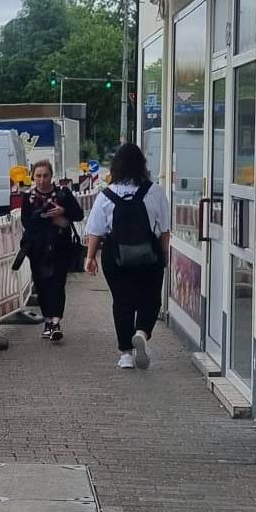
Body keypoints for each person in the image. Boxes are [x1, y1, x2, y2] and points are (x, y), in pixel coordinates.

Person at [84, 144, 171, 370]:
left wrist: (90, 257)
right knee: (150, 298)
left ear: (117, 166)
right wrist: (164, 254)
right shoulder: (155, 191)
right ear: (142, 165)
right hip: (148, 255)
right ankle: (141, 331)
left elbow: (95, 230)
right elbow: (164, 230)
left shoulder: (106, 195)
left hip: (115, 256)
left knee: (122, 302)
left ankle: (125, 354)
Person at [20, 159, 83, 342]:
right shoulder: (28, 198)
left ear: (51, 175)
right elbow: (26, 223)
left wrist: (63, 212)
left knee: (58, 283)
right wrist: (46, 218)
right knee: (42, 285)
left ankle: (56, 322)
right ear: (33, 177)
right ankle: (48, 320)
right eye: (38, 176)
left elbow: (78, 214)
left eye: (45, 175)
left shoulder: (63, 194)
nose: (42, 180)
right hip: (38, 249)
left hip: (60, 246)